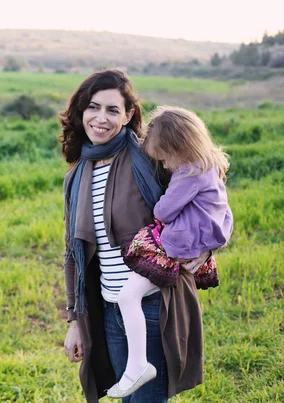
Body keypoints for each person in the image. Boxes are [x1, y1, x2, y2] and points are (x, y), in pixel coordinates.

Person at [60, 69, 204, 403]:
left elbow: (205, 194)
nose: (101, 118)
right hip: (110, 307)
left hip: (154, 304)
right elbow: (72, 254)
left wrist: (208, 247)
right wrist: (74, 320)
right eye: (93, 107)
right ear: (81, 113)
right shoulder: (76, 177)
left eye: (112, 110)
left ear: (128, 115)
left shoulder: (150, 158)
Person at [106, 106, 233, 398]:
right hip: (188, 245)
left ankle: (138, 364)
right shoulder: (211, 167)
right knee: (130, 294)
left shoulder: (189, 172)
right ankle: (136, 366)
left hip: (175, 246)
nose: (163, 166)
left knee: (127, 295)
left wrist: (164, 202)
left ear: (180, 147)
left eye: (164, 158)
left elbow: (163, 209)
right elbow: (224, 216)